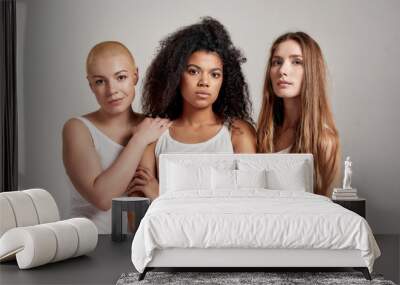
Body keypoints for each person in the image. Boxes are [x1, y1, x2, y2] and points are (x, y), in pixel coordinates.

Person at [127, 17, 256, 199]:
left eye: (215, 74)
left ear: (224, 81)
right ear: (176, 76)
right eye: (194, 71)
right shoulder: (155, 134)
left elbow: (248, 200)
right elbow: (139, 209)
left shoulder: (238, 133)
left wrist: (160, 196)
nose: (204, 82)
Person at [62, 41, 171, 233]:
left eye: (120, 77)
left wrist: (159, 193)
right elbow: (103, 198)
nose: (112, 90)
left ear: (135, 75)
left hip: (142, 244)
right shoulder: (77, 128)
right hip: (89, 243)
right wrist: (138, 140)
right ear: (90, 85)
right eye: (100, 81)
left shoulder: (154, 126)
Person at [257, 32, 340, 197]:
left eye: (296, 62)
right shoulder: (262, 134)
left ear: (311, 71)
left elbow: (320, 206)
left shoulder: (324, 140)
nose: (282, 70)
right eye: (277, 62)